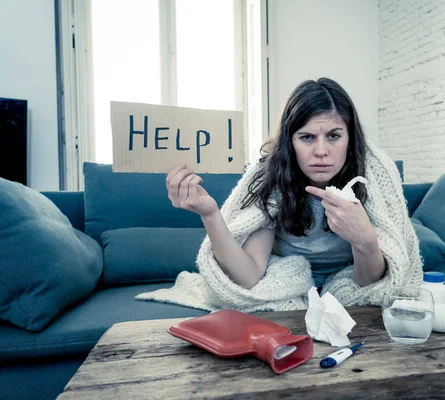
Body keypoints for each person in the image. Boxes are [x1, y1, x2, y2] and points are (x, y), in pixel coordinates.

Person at [137, 77, 422, 312]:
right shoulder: (270, 178)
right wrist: (209, 213)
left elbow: (370, 284)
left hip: (351, 276)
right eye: (307, 137)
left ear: (351, 139)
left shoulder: (373, 175)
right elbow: (249, 276)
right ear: (290, 141)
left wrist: (365, 240)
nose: (321, 151)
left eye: (334, 136)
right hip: (286, 275)